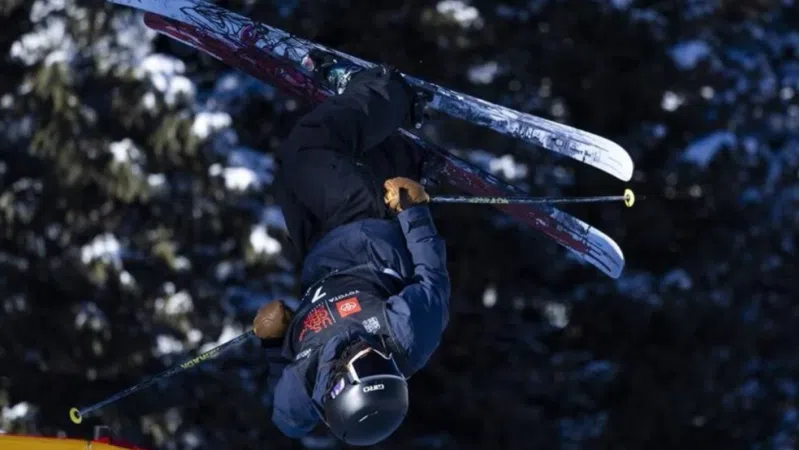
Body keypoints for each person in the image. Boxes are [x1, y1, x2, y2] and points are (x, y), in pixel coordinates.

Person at [251, 51, 451, 447]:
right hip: (365, 231)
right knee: (307, 152)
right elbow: (432, 280)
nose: (373, 353)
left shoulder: (304, 387)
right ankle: (391, 92)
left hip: (317, 252)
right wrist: (413, 211)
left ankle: (404, 156)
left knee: (290, 177)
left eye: (368, 366)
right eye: (386, 365)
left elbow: (286, 417)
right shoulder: (406, 337)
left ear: (338, 387)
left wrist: (273, 342)